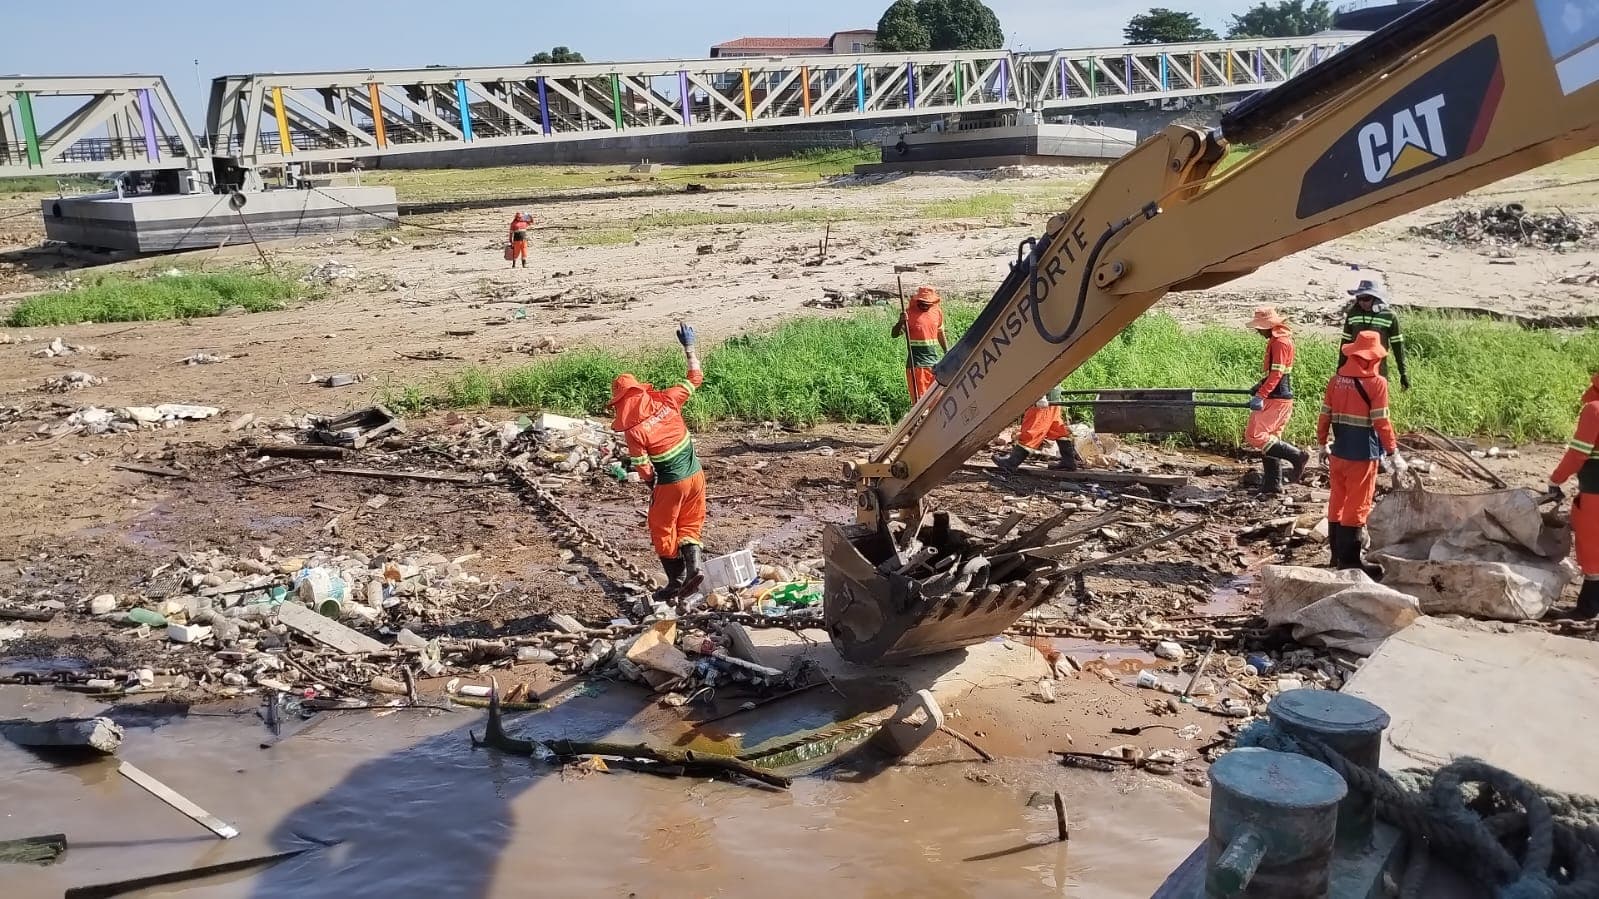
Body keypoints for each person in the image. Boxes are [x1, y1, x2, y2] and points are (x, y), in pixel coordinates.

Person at [610, 322, 706, 601]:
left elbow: (643, 468)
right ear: (640, 391)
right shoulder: (668, 400)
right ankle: (694, 568)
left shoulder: (634, 431)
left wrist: (653, 484)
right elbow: (696, 376)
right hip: (696, 476)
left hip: (670, 482)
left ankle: (675, 581)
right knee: (690, 523)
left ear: (621, 403)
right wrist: (688, 347)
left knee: (662, 529)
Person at [1316, 331, 1407, 578]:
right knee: (1358, 505)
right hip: (1362, 455)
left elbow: (1324, 415)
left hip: (1338, 452)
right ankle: (1350, 562)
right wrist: (1393, 452)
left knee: (1337, 501)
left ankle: (1336, 555)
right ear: (1371, 359)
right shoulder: (1377, 384)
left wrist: (1322, 443)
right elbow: (1382, 422)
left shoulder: (1336, 381)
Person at [1549, 371, 1599, 618]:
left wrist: (1555, 479)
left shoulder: (1594, 409)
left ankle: (1587, 608)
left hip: (1595, 493)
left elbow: (1578, 454)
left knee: (1593, 548)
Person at [1244, 307, 1310, 493]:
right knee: (1271, 441)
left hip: (1277, 398)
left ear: (1268, 326)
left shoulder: (1280, 342)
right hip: (1280, 397)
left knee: (1255, 435)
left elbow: (1278, 373)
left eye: (1259, 328)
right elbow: (1277, 374)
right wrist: (1260, 384)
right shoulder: (1280, 339)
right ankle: (1272, 485)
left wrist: (1261, 395)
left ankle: (1297, 456)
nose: (1257, 331)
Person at [1340, 279, 1410, 390]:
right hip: (1354, 370)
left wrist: (1403, 373)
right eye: (1359, 298)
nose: (1362, 302)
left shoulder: (1389, 316)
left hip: (1378, 371)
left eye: (1366, 299)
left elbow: (1398, 346)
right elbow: (1345, 343)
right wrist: (1340, 370)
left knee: (1378, 404)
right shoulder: (1353, 314)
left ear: (1377, 299)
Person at [994, 387, 1081, 471]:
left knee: (1032, 430)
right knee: (1057, 430)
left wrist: (1041, 395)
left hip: (1042, 398)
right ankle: (1068, 461)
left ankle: (1012, 462)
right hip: (1052, 397)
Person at [892, 286, 948, 401]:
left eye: (927, 303)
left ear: (932, 302)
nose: (924, 305)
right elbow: (894, 334)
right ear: (917, 300)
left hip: (934, 365)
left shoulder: (937, 312)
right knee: (921, 405)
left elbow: (940, 333)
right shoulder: (909, 314)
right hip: (916, 366)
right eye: (922, 303)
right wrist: (900, 321)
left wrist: (946, 351)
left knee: (937, 403)